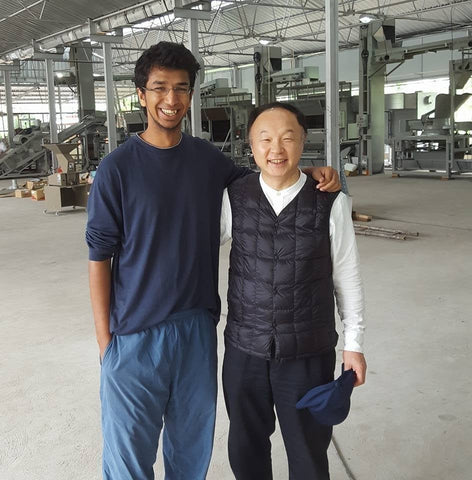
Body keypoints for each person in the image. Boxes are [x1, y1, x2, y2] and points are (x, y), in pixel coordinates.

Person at [86, 42, 340, 480]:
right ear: (141, 94)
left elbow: (269, 179)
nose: (171, 100)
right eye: (160, 88)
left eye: (181, 89)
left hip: (197, 331)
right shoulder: (117, 168)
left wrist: (314, 170)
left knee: (191, 450)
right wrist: (105, 339)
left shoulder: (207, 160)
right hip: (134, 334)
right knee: (128, 455)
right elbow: (99, 255)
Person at [220, 102, 366, 480]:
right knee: (245, 449)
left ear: (303, 142)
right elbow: (192, 242)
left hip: (307, 352)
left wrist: (354, 344)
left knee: (308, 453)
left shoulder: (331, 201)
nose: (276, 149)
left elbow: (346, 276)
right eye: (265, 139)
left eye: (288, 138)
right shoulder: (233, 197)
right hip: (244, 351)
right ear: (250, 146)